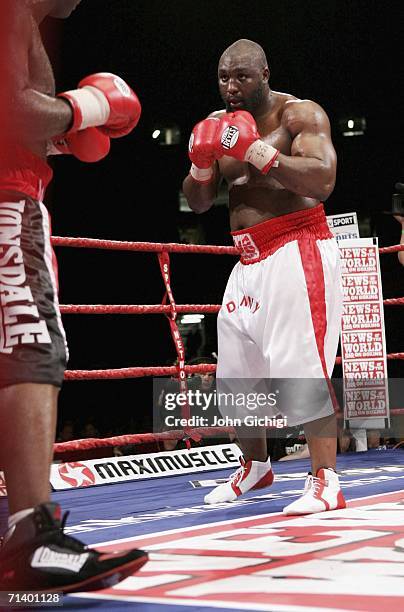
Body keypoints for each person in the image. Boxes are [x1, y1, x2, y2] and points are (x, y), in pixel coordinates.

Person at [0, 0, 148, 591]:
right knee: (29, 347)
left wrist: (63, 137)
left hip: (16, 184)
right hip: (8, 199)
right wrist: (83, 108)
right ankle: (31, 539)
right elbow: (11, 111)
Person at [183, 39, 345, 515]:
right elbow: (197, 202)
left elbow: (323, 180)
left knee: (301, 366)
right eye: (223, 77)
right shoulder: (218, 125)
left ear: (265, 73)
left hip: (298, 246)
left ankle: (326, 480)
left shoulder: (299, 116)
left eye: (242, 77)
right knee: (237, 374)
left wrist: (257, 152)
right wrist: (200, 162)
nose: (231, 87)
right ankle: (255, 466)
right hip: (248, 260)